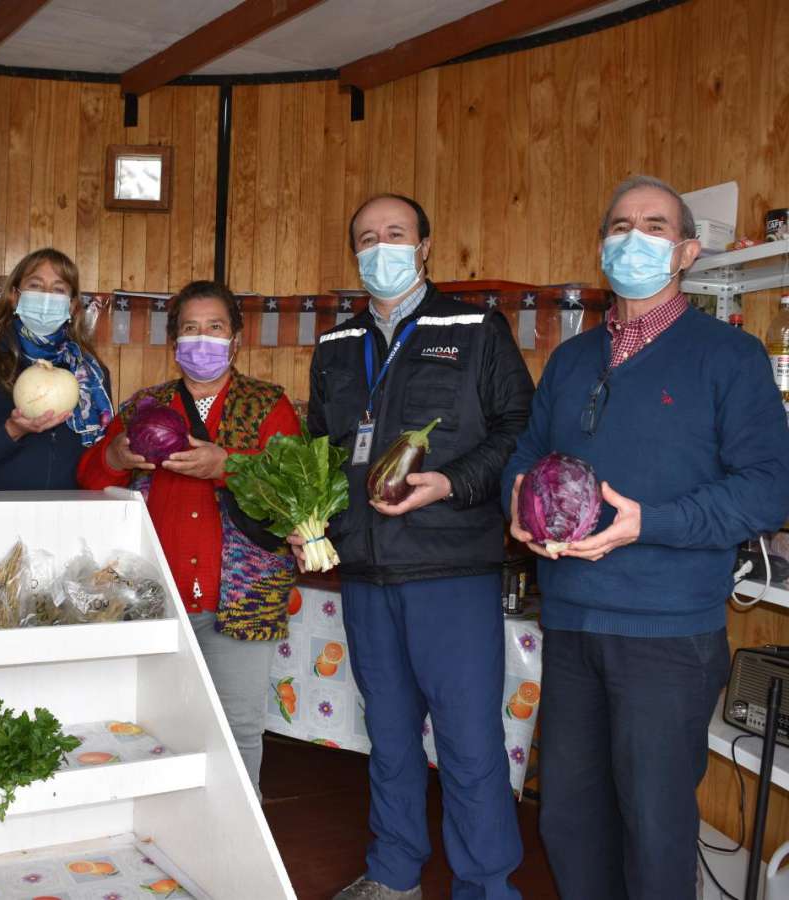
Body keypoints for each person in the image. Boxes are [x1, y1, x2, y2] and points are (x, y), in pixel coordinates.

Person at [502, 175, 789, 900]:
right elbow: (526, 453)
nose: (635, 237)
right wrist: (518, 505)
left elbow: (767, 489)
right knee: (567, 818)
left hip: (667, 636)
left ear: (687, 251)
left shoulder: (731, 357)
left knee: (654, 827)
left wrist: (648, 525)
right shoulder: (571, 361)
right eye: (621, 224)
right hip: (570, 621)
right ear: (603, 248)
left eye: (655, 225)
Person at [301, 194, 533, 900]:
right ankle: (394, 876)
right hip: (367, 573)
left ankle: (486, 888)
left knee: (467, 745)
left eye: (396, 234)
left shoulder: (477, 327)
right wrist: (308, 520)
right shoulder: (337, 346)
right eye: (367, 237)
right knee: (392, 741)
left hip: (449, 568)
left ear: (426, 246)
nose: (381, 247)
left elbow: (518, 430)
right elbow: (322, 453)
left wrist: (451, 484)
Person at [77, 280, 300, 791]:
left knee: (238, 728)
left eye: (215, 328)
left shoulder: (269, 405)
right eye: (191, 329)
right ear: (175, 343)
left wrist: (228, 465)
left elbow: (294, 491)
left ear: (236, 340)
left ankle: (242, 852)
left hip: (243, 597)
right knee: (159, 728)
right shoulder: (145, 406)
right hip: (157, 597)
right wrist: (113, 457)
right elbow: (91, 477)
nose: (203, 340)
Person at [0, 247, 112, 491]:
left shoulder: (90, 373)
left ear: (72, 306)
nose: (47, 297)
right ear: (15, 296)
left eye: (59, 289)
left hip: (67, 518)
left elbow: (97, 461)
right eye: (36, 286)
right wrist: (12, 430)